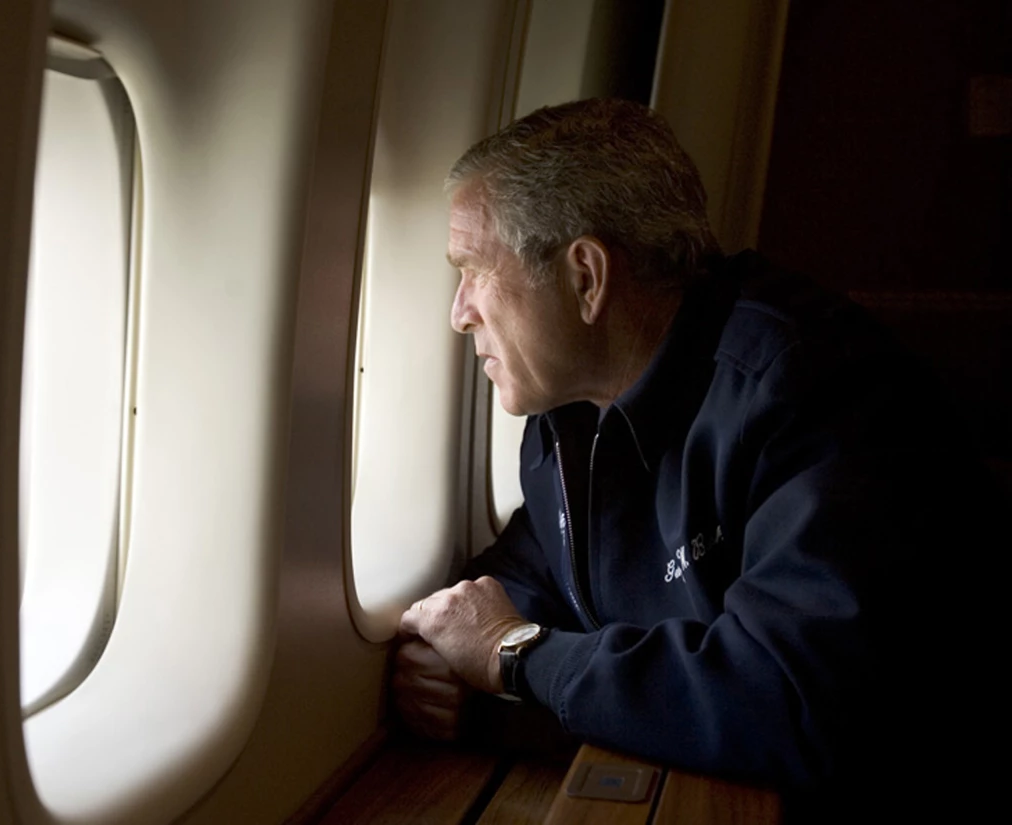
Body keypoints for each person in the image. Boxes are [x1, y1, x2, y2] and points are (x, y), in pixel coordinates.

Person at [393, 98, 994, 814]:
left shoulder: (812, 391)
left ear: (586, 277)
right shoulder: (569, 417)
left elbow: (787, 698)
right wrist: (458, 652)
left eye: (473, 270)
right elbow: (531, 577)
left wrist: (511, 656)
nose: (458, 311)